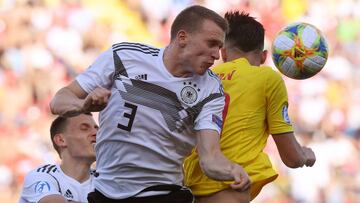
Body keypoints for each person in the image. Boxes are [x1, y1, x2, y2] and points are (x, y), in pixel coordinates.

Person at [49, 5, 250, 203]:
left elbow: (210, 158)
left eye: (219, 47)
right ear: (182, 37)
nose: (216, 55)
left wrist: (233, 170)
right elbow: (59, 100)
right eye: (211, 44)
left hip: (164, 193)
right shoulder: (124, 57)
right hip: (105, 191)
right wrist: (82, 106)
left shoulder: (211, 90)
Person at [183, 11, 316, 203]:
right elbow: (291, 158)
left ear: (224, 52)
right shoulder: (267, 78)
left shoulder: (203, 77)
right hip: (228, 188)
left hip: (189, 189)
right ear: (263, 57)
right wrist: (306, 155)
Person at [19, 113, 98, 203]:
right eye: (84, 128)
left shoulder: (104, 180)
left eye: (97, 129)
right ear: (61, 140)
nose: (96, 133)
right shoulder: (40, 176)